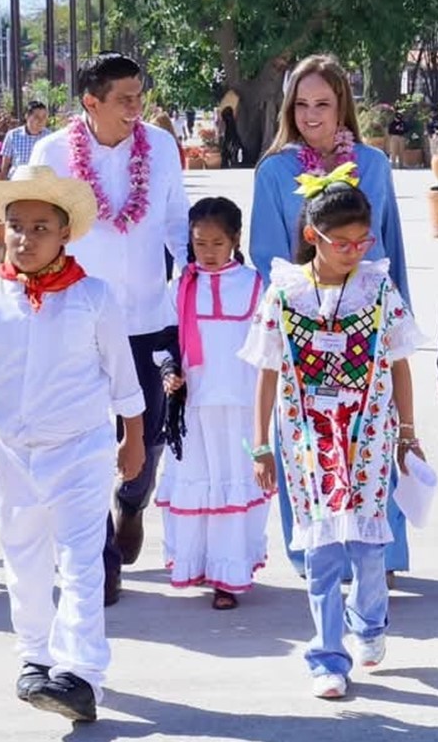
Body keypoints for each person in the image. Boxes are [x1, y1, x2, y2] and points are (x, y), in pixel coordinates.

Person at [0, 165, 147, 722]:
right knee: (23, 554)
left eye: (39, 227)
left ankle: (80, 675)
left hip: (81, 449)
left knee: (81, 560)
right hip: (10, 452)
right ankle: (34, 658)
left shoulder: (93, 297)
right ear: (0, 230)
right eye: (15, 226)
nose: (25, 238)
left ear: (63, 234)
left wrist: (134, 439)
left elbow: (122, 375)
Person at [241, 166, 422, 699]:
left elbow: (399, 364)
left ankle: (369, 623)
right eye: (339, 242)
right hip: (305, 441)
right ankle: (326, 655)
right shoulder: (283, 293)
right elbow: (267, 372)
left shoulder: (377, 289)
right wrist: (261, 445)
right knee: (321, 549)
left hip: (367, 434)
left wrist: (407, 434)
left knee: (367, 544)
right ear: (310, 238)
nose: (352, 251)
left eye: (361, 241)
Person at [28, 53, 190, 601]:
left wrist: (204, 285)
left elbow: (177, 227)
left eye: (140, 97)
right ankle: (100, 557)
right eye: (125, 99)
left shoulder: (162, 148)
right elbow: (30, 235)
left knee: (150, 432)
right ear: (90, 103)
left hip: (148, 320)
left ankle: (133, 504)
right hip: (77, 322)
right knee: (87, 443)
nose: (136, 109)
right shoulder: (52, 154)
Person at [250, 53, 411, 579]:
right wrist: (310, 304)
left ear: (343, 104)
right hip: (303, 326)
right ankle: (315, 553)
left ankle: (378, 553)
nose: (312, 115)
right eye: (301, 105)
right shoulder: (273, 172)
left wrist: (395, 322)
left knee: (371, 438)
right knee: (307, 445)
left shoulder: (374, 165)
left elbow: (389, 248)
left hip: (366, 322)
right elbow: (267, 255)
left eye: (323, 102)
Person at [156, 197, 268, 610]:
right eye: (199, 243)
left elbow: (270, 345)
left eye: (217, 243)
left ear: (235, 240)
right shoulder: (180, 286)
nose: (207, 252)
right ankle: (199, 565)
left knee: (233, 488)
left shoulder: (257, 286)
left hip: (240, 406)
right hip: (194, 408)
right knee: (198, 485)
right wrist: (170, 371)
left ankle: (230, 575)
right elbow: (165, 339)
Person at [0, 101, 52, 179]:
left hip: (40, 181)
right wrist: (2, 180)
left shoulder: (49, 136)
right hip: (17, 180)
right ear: (27, 116)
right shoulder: (13, 135)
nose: (41, 121)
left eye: (44, 117)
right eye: (36, 117)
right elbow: (6, 161)